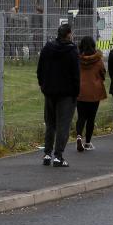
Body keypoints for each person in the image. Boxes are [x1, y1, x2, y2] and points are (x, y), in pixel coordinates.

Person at [37, 23, 80, 167]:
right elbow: (76, 74)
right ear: (69, 34)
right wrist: (76, 92)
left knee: (50, 124)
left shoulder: (48, 48)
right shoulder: (72, 51)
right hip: (67, 93)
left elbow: (40, 69)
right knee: (63, 125)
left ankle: (47, 153)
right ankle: (58, 155)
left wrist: (43, 85)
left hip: (50, 91)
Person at [75, 35, 106, 152]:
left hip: (80, 91)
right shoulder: (98, 60)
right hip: (94, 92)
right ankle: (87, 142)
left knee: (81, 116)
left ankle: (78, 136)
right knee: (91, 118)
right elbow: (103, 73)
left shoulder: (78, 59)